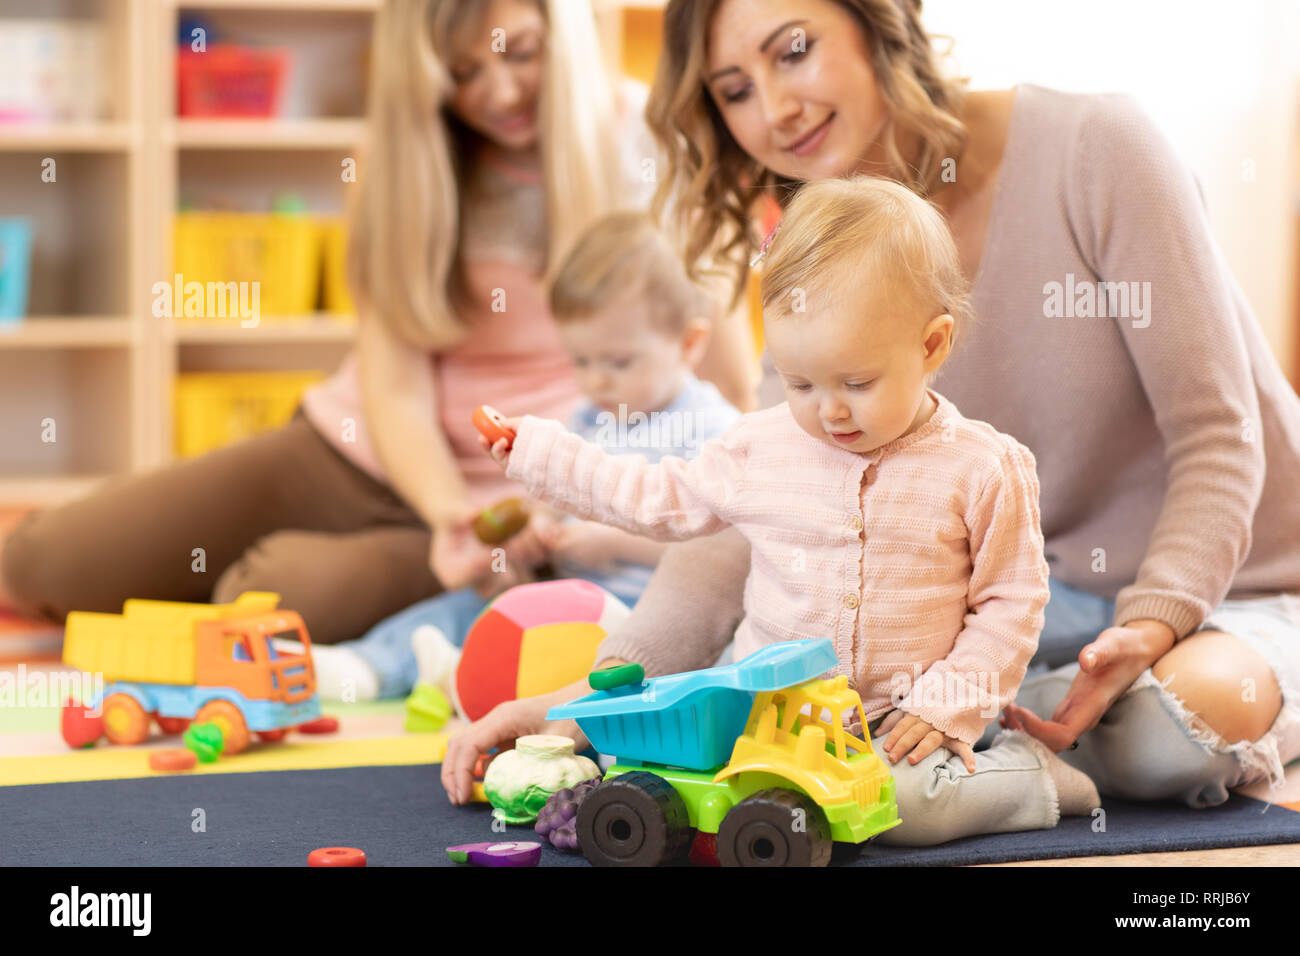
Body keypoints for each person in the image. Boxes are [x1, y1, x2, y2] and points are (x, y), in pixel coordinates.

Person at [444, 0, 1300, 837]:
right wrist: (595, 708)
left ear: (878, 18)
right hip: (993, 636)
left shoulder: (1095, 146)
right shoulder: (817, 266)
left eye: (793, 49)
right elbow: (733, 533)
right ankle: (962, 744)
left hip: (1227, 593)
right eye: (733, 90)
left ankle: (991, 748)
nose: (775, 109)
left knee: (1171, 725)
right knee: (829, 713)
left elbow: (1220, 439)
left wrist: (1150, 625)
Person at [0, 0, 755, 646]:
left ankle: (405, 576)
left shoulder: (650, 141)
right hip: (366, 455)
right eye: (461, 73)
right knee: (43, 563)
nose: (499, 90)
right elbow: (393, 391)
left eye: (520, 53)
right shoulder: (395, 162)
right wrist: (442, 510)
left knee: (260, 598)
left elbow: (714, 352)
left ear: (562, 35)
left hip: (531, 505)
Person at [478, 177, 1103, 845]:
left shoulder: (983, 466)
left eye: (856, 384)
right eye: (799, 382)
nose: (828, 410)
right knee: (658, 773)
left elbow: (1011, 600)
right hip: (767, 720)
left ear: (932, 345)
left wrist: (949, 703)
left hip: (902, 721)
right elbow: (656, 498)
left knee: (904, 810)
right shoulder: (760, 446)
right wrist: (539, 453)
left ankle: (1032, 776)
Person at [308, 211, 741, 701]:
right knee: (475, 607)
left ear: (689, 344)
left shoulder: (712, 428)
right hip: (569, 593)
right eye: (580, 361)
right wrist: (539, 529)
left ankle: (466, 679)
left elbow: (723, 547)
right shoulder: (588, 416)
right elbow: (557, 498)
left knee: (593, 661)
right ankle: (370, 664)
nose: (597, 380)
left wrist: (614, 545)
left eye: (618, 362)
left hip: (656, 612)